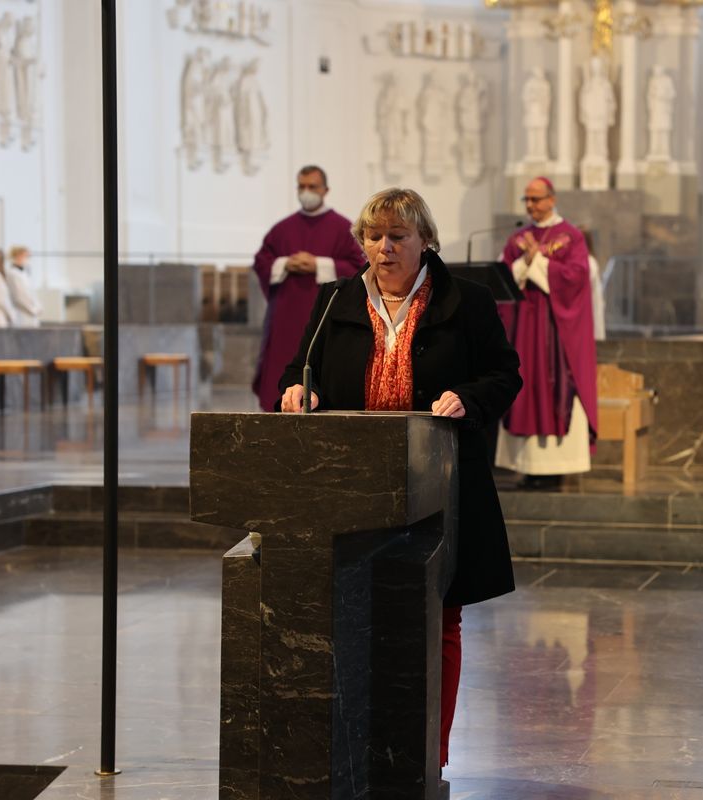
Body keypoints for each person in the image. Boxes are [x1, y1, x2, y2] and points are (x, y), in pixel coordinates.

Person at [278, 187, 522, 767]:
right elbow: (299, 367)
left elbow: (504, 374)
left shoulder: (467, 300)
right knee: (353, 618)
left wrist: (467, 396)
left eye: (397, 237)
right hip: (350, 485)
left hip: (441, 482)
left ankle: (427, 755)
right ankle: (358, 753)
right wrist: (298, 390)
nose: (382, 248)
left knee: (438, 619)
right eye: (373, 236)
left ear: (425, 241)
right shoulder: (336, 298)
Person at [494, 177, 598, 489]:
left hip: (555, 333)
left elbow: (577, 277)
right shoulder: (518, 238)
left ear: (552, 200)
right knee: (524, 389)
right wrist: (521, 268)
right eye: (526, 200)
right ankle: (527, 467)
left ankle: (556, 468)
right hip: (525, 327)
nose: (530, 206)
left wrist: (538, 263)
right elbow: (504, 275)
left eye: (536, 200)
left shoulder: (571, 236)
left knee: (557, 389)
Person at [252, 165, 366, 412]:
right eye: (301, 186)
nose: (306, 191)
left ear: (325, 190)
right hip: (286, 317)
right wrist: (285, 263)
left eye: (312, 186)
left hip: (326, 315)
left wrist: (318, 264)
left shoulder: (343, 228)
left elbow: (360, 267)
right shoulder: (282, 228)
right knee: (283, 365)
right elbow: (262, 261)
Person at [5, 245, 43, 327]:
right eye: (26, 256)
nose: (28, 259)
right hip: (22, 314)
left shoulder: (24, 273)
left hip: (31, 313)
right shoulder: (12, 273)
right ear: (18, 256)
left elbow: (31, 293)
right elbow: (19, 296)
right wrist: (33, 309)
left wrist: (38, 306)